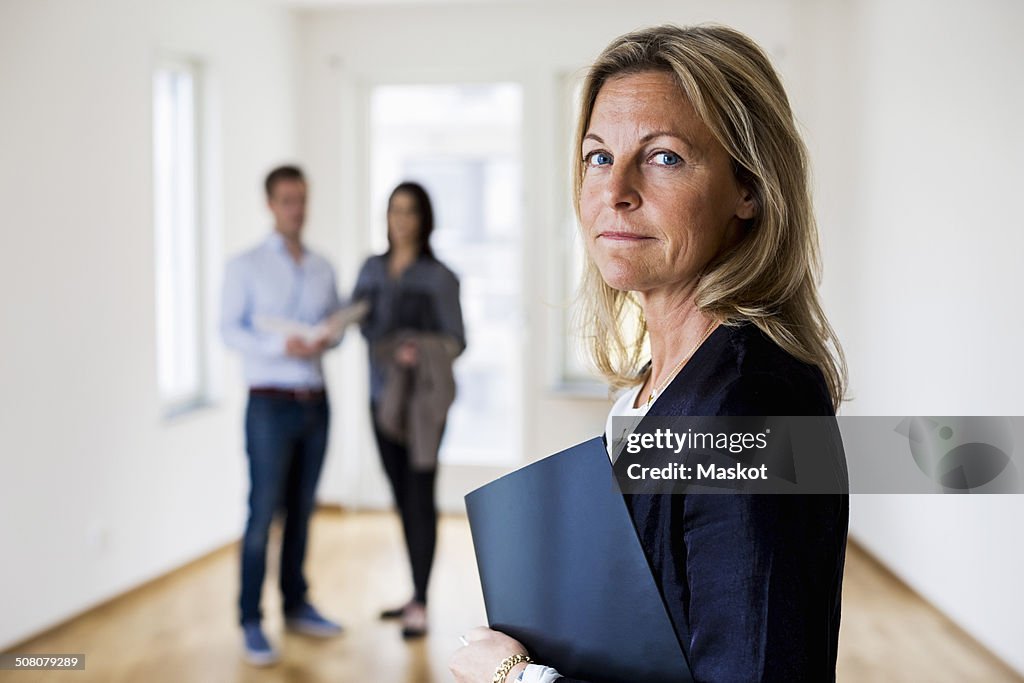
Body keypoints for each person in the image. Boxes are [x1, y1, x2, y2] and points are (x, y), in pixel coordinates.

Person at [450, 24, 849, 683]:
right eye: (598, 157)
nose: (615, 189)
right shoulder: (659, 382)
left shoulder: (755, 407)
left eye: (663, 157)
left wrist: (516, 676)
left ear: (748, 188)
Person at [221, 165, 345, 667]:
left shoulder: (322, 266)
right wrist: (280, 344)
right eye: (287, 200)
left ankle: (296, 604)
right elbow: (228, 330)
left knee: (302, 509)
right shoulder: (244, 266)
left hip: (315, 403)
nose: (297, 209)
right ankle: (251, 619)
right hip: (269, 404)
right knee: (262, 513)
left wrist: (327, 335)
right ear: (271, 204)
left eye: (302, 199)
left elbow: (334, 327)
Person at [352, 181, 465, 639]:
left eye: (410, 211)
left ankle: (421, 601)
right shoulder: (371, 270)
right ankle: (414, 595)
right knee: (401, 499)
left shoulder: (439, 277)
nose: (401, 219)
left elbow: (457, 339)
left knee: (420, 498)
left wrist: (418, 347)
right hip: (381, 401)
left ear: (424, 219)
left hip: (423, 407)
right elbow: (357, 319)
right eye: (394, 210)